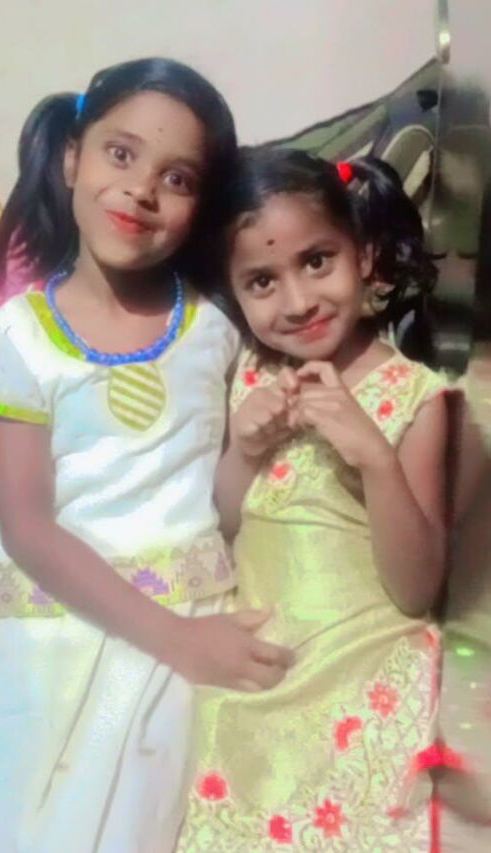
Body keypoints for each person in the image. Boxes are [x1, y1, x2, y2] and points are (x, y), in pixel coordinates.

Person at [0, 58, 291, 853]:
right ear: (72, 157)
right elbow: (28, 529)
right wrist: (178, 639)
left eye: (176, 177)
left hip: (176, 637)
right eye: (121, 154)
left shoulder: (215, 330)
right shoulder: (17, 336)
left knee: (138, 823)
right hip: (46, 637)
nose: (142, 189)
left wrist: (248, 451)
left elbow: (213, 505)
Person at [178, 147, 448, 851]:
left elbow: (417, 589)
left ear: (364, 256)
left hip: (368, 678)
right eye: (263, 281)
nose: (297, 302)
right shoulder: (247, 374)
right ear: (235, 293)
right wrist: (245, 449)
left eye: (317, 261)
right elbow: (219, 525)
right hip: (257, 675)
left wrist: (374, 456)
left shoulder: (416, 397)